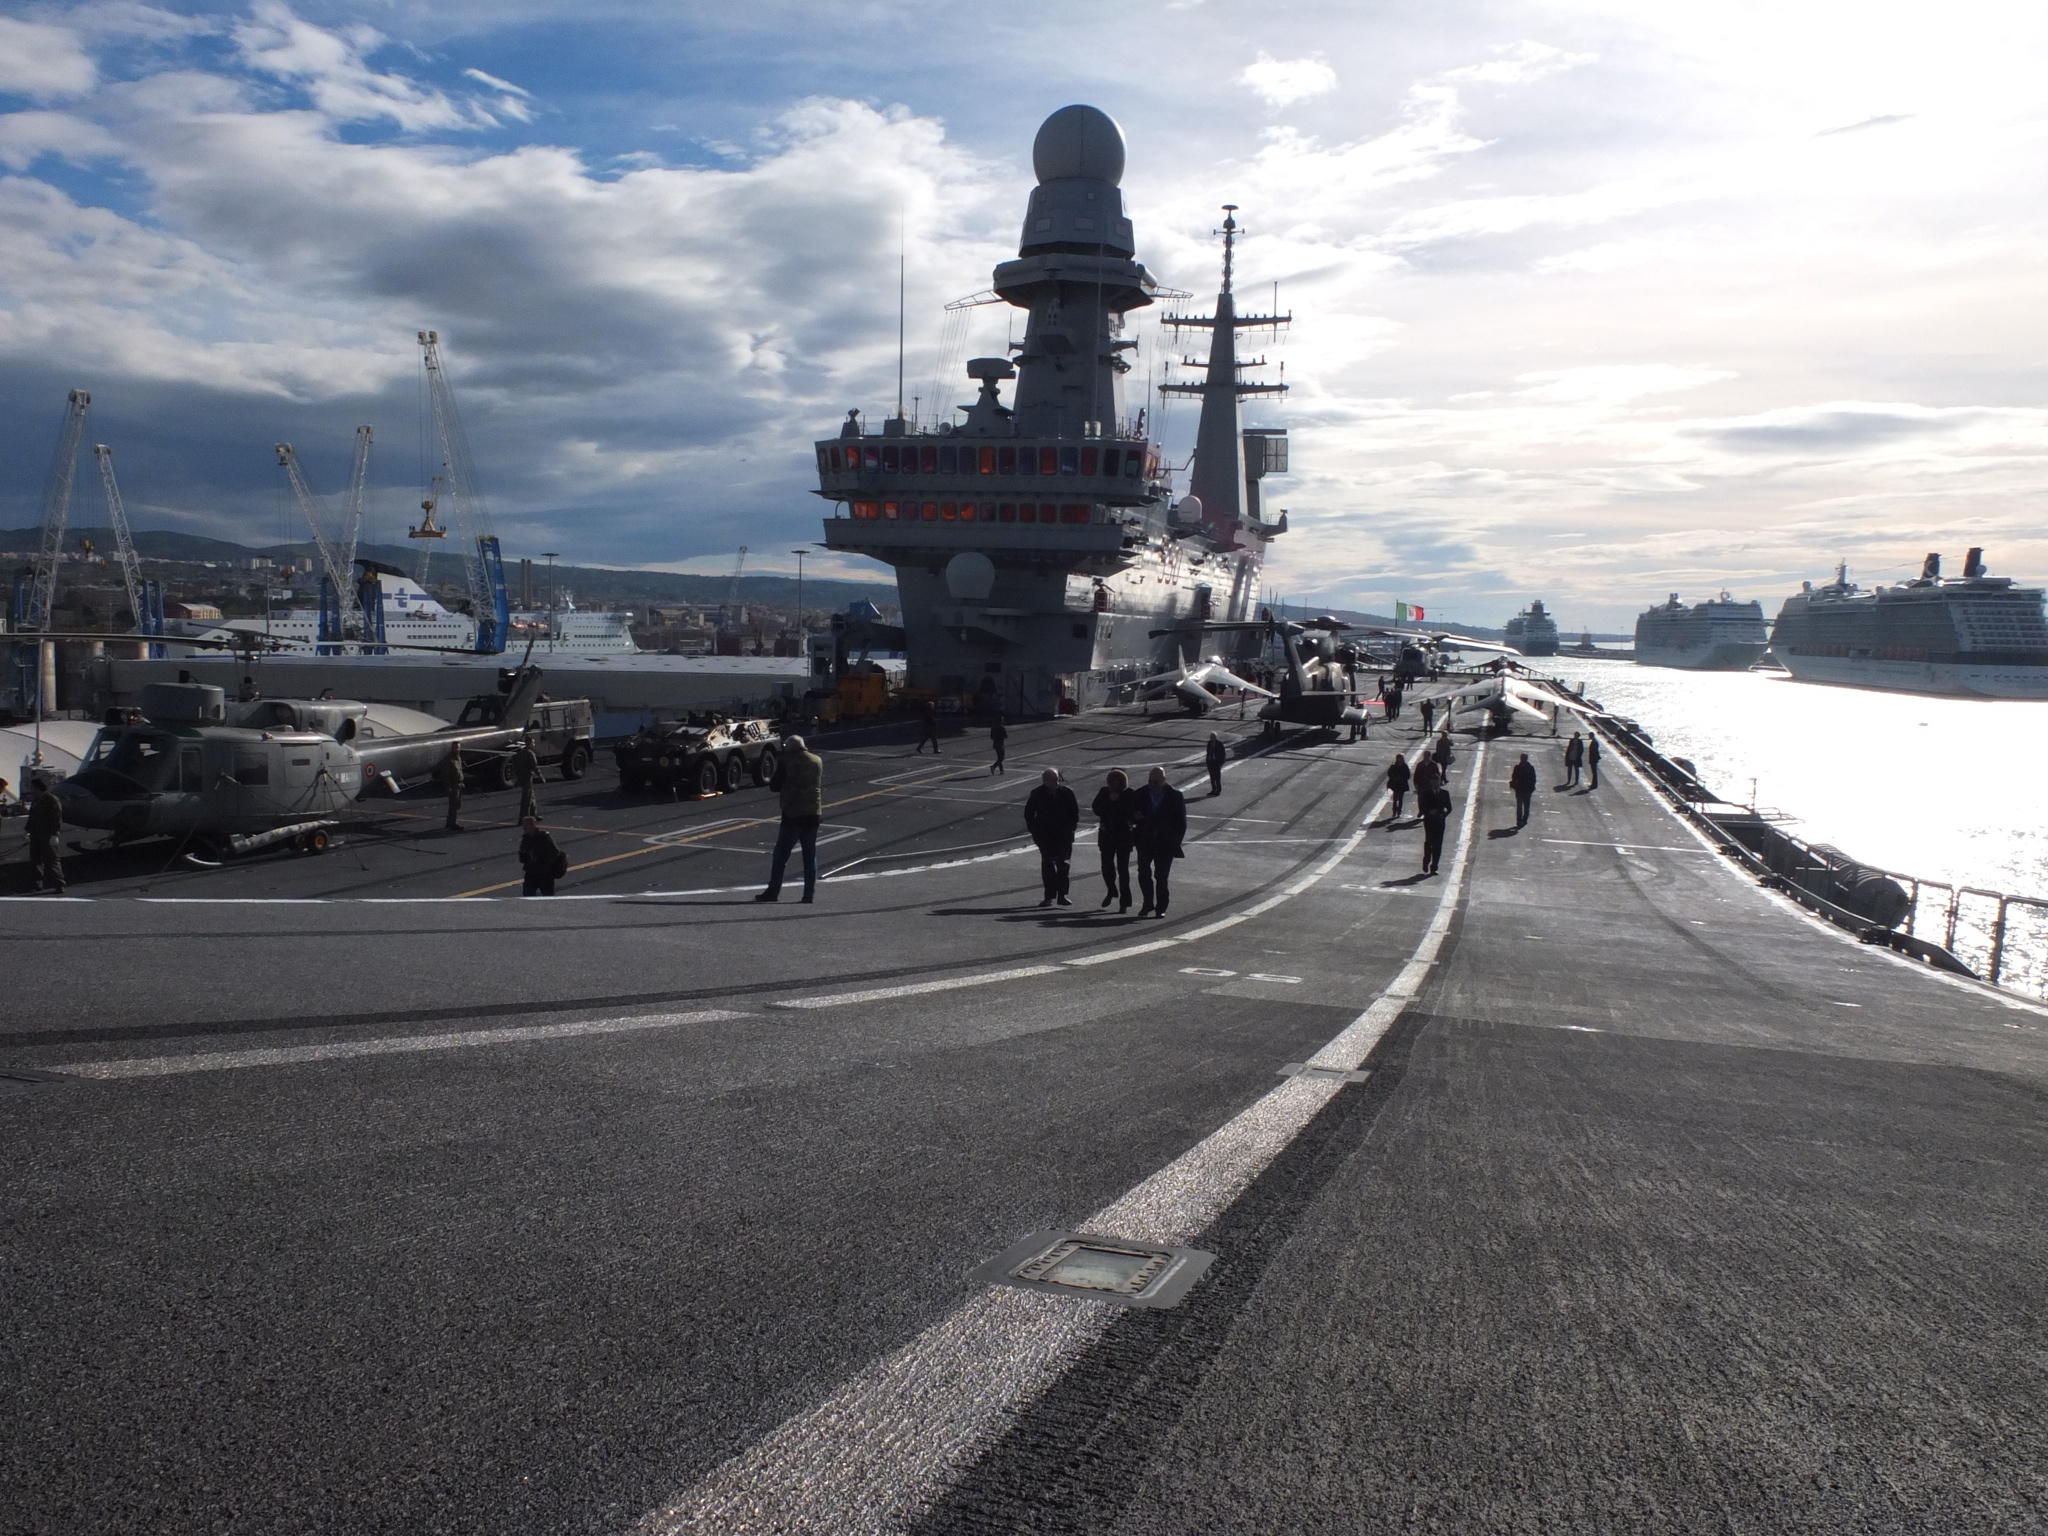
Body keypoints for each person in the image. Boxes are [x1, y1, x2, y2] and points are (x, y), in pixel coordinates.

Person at [757, 734, 825, 903]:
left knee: (780, 856)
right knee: (809, 856)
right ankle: (808, 894)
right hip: (813, 814)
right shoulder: (817, 761)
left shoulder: (786, 762)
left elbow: (774, 786)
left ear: (790, 748)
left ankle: (773, 892)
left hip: (792, 815)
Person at [1132, 765, 1187, 918]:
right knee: (1143, 873)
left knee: (1161, 876)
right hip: (1145, 841)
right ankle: (1147, 903)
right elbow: (1130, 813)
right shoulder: (1140, 793)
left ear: (1164, 780)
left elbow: (1181, 823)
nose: (1152, 785)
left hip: (1165, 843)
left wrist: (1175, 842)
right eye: (1150, 781)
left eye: (1156, 782)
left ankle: (1161, 907)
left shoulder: (1175, 796)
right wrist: (1134, 816)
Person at [1024, 767, 1080, 907]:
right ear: (1045, 781)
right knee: (1047, 865)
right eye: (1053, 780)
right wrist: (1035, 832)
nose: (1056, 782)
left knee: (1063, 865)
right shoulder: (1037, 794)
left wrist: (1071, 829)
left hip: (1064, 835)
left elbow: (1074, 813)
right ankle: (1049, 896)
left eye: (1057, 779)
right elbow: (1029, 814)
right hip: (1045, 836)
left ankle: (1062, 895)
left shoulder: (1067, 793)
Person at [1090, 768, 1136, 911]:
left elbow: (1131, 812)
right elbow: (1097, 809)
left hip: (1123, 835)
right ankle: (1111, 889)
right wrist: (1109, 800)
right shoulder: (1104, 792)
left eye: (1118, 781)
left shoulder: (1129, 794)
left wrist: (1118, 800)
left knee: (1123, 870)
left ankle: (1125, 902)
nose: (1115, 783)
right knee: (1106, 867)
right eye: (1113, 781)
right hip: (1107, 835)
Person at [25, 778, 64, 894]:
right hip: (36, 834)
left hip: (47, 835)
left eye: (33, 788)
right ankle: (37, 884)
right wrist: (28, 831)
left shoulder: (52, 800)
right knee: (36, 860)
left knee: (52, 860)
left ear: (38, 788)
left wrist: (54, 834)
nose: (32, 790)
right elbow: (32, 818)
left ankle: (59, 884)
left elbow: (57, 818)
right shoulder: (36, 801)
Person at [518, 814, 565, 896]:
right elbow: (523, 856)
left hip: (544, 873)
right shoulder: (526, 839)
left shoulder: (544, 837)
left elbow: (555, 852)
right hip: (531, 872)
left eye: (526, 826)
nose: (524, 828)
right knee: (528, 894)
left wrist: (543, 860)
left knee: (547, 895)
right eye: (523, 826)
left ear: (533, 825)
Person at [1419, 780, 1452, 876]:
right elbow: (1422, 806)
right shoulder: (1426, 793)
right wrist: (1428, 812)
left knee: (1438, 844)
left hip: (1440, 822)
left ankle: (1434, 866)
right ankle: (1426, 861)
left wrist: (1443, 815)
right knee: (1429, 842)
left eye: (1437, 783)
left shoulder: (1444, 793)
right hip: (1429, 821)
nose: (1435, 784)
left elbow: (1449, 808)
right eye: (1434, 783)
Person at [507, 734, 543, 822]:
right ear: (530, 743)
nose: (534, 745)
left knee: (531, 796)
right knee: (526, 798)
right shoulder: (530, 754)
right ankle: (523, 818)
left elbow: (515, 765)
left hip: (521, 776)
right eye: (533, 743)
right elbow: (535, 767)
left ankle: (533, 814)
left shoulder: (520, 753)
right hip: (527, 776)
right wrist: (541, 777)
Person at [434, 745, 465, 831]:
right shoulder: (449, 760)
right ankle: (453, 823)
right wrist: (448, 786)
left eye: (458, 747)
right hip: (453, 785)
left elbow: (460, 770)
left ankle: (449, 822)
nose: (457, 749)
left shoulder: (458, 758)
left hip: (459, 784)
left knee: (457, 804)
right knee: (453, 805)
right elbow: (445, 775)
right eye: (455, 748)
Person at [1510, 752, 1537, 827]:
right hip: (1519, 789)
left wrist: (1531, 788)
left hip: (1527, 790)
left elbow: (1533, 779)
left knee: (1526, 807)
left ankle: (1524, 820)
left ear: (1527, 758)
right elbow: (1514, 776)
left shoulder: (1530, 768)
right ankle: (1519, 820)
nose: (1523, 759)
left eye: (1524, 758)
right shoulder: (1517, 767)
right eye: (1522, 758)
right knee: (1519, 806)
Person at [1385, 753, 1412, 820]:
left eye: (1401, 759)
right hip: (1395, 784)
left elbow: (1408, 775)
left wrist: (1402, 778)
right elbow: (1389, 773)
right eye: (1399, 759)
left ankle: (1399, 810)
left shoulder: (1405, 766)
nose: (1400, 760)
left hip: (1402, 784)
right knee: (1395, 798)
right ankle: (1394, 810)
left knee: (1400, 798)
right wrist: (1393, 777)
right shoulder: (1394, 766)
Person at [1205, 732, 1226, 797]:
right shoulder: (1209, 743)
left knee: (1217, 777)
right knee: (1212, 778)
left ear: (1215, 737)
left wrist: (1221, 763)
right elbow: (1208, 752)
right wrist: (1207, 761)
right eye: (1210, 737)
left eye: (1212, 737)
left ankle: (1218, 790)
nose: (1211, 738)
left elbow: (1223, 754)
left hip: (1216, 762)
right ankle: (1213, 790)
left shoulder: (1219, 744)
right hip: (1210, 762)